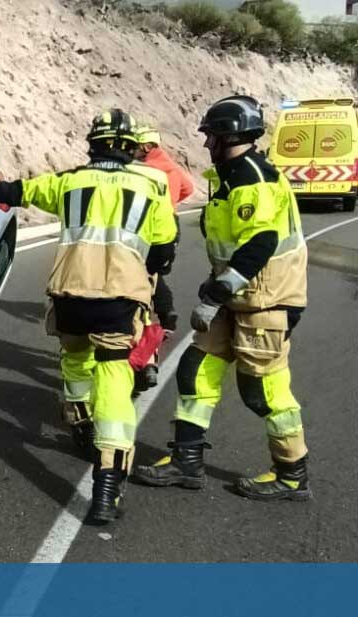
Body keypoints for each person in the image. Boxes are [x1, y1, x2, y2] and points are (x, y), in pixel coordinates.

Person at [0, 109, 178, 524]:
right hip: (119, 298)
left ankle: (80, 428)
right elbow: (164, 252)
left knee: (76, 363)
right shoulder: (153, 186)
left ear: (93, 144)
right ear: (130, 147)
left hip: (70, 295)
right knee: (115, 383)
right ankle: (107, 489)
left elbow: (14, 191)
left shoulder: (69, 180)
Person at [132, 95, 311, 501]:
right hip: (238, 297)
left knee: (262, 391)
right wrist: (219, 286)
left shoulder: (251, 179)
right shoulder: (230, 176)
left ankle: (292, 474)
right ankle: (186, 462)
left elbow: (260, 241)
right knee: (196, 367)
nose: (206, 142)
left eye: (210, 135)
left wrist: (216, 292)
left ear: (227, 135)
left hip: (266, 301)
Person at [132, 118, 196, 333]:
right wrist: (172, 200)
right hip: (172, 222)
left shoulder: (145, 171)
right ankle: (165, 311)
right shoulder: (173, 168)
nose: (132, 150)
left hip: (149, 223)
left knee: (140, 270)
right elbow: (189, 188)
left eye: (136, 146)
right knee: (154, 271)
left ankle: (150, 315)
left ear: (147, 147)